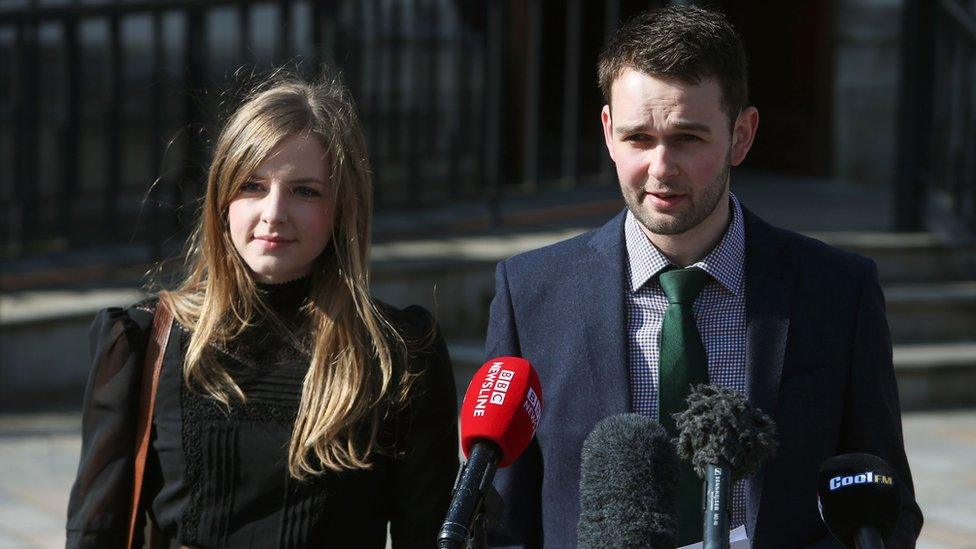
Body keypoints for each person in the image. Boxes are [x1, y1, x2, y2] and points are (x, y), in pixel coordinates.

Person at [485, 6, 922, 548]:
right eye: (639, 138)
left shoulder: (837, 290)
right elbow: (500, 521)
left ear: (742, 135)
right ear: (607, 132)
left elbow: (887, 508)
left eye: (688, 138)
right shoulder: (532, 293)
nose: (662, 167)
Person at [66, 76, 459, 548]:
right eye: (252, 185)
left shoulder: (398, 354)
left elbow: (430, 533)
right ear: (222, 197)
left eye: (305, 191)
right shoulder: (146, 341)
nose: (274, 213)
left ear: (342, 207)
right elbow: (96, 532)